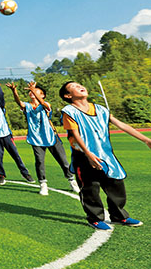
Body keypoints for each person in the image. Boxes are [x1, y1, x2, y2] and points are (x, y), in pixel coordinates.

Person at [59, 81, 151, 230]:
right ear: (68, 95)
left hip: (106, 155)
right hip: (83, 156)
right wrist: (88, 154)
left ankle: (119, 216)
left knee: (116, 185)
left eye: (81, 84)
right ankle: (94, 218)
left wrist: (146, 140)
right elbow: (75, 136)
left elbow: (121, 125)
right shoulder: (69, 112)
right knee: (90, 188)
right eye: (74, 87)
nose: (81, 86)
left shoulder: (101, 109)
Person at [7, 82, 79, 196]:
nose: (32, 92)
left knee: (63, 161)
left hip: (51, 136)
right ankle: (43, 184)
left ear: (43, 95)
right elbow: (18, 102)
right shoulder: (28, 106)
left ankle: (72, 181)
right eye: (31, 91)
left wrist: (34, 90)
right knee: (40, 161)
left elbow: (43, 104)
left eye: (36, 91)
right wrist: (14, 91)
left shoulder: (45, 104)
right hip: (36, 138)